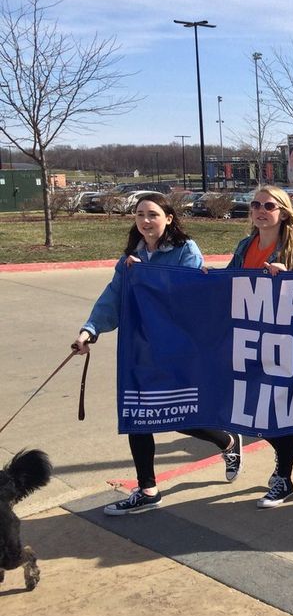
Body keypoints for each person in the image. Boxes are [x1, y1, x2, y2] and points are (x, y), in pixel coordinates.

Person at [72, 193, 242, 516]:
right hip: (139, 352)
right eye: (140, 215)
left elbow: (189, 297)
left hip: (177, 351)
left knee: (180, 417)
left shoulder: (184, 251)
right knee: (137, 415)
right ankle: (147, 489)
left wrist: (148, 278)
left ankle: (227, 442)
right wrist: (89, 331)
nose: (146, 220)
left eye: (153, 214)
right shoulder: (131, 260)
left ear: (169, 218)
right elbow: (113, 298)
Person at [226, 185, 293, 508]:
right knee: (251, 409)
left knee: (281, 409)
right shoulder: (245, 245)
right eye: (255, 205)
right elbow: (229, 283)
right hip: (250, 341)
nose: (260, 211)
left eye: (269, 205)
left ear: (283, 212)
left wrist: (289, 281)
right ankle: (288, 449)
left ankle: (283, 477)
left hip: (285, 344)